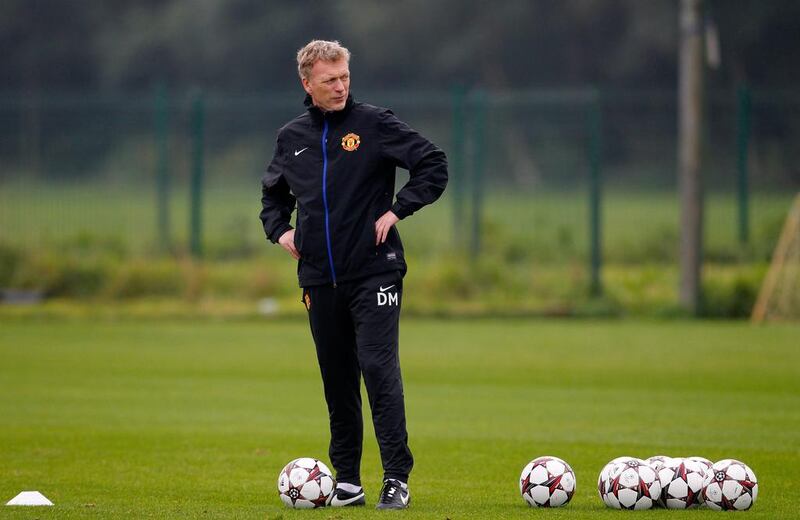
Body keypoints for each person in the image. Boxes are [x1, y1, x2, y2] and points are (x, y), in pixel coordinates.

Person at [259, 40, 448, 510]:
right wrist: (280, 230)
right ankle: (346, 480)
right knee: (337, 378)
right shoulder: (292, 137)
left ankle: (395, 478)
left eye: (344, 77)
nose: (341, 86)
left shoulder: (375, 124)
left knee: (378, 368)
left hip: (375, 271)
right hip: (319, 277)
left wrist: (398, 210)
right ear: (308, 83)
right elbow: (272, 197)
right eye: (330, 80)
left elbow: (433, 164)